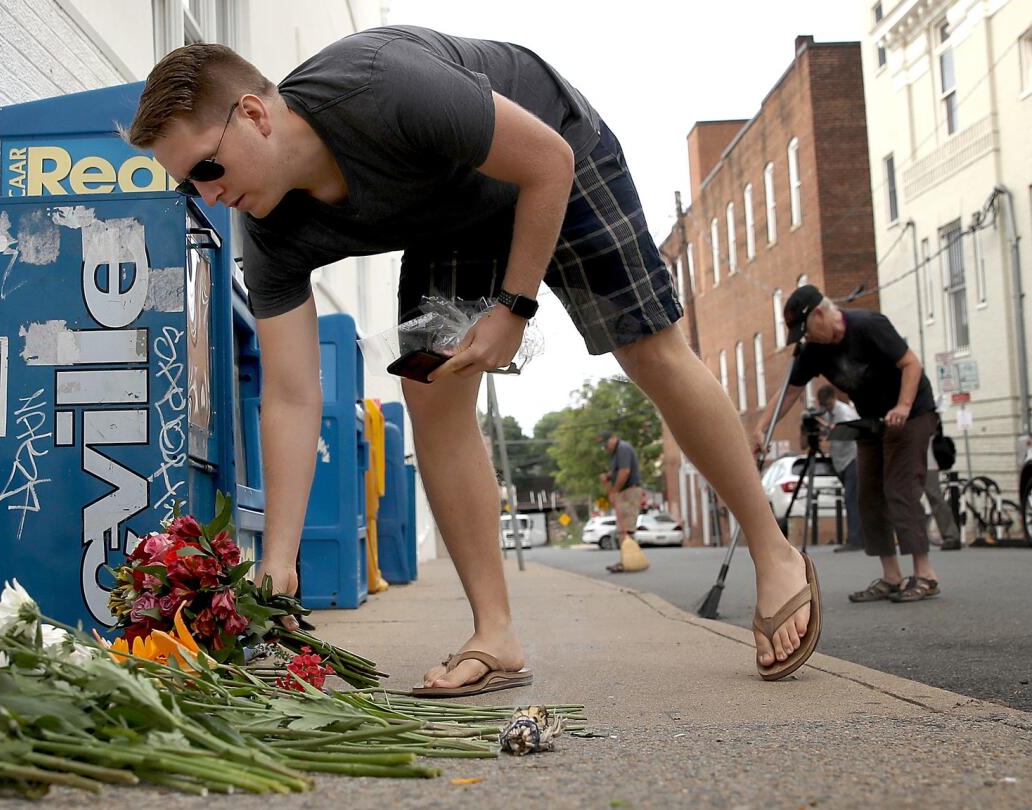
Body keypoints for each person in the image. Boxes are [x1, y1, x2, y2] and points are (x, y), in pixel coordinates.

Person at [129, 26, 820, 689]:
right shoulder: (270, 230)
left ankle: (773, 550)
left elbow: (546, 161)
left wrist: (514, 308)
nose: (210, 197)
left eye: (208, 170)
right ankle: (496, 635)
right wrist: (279, 559)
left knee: (648, 350)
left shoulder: (382, 86)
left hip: (551, 154)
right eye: (191, 186)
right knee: (429, 395)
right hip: (449, 216)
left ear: (255, 115)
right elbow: (289, 394)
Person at [752, 286, 941, 603]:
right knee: (868, 493)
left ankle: (925, 574)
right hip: (870, 421)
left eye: (806, 330)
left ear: (821, 315)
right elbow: (789, 392)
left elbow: (911, 364)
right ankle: (892, 576)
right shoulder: (814, 350)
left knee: (900, 487)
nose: (805, 338)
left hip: (911, 414)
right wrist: (761, 429)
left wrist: (903, 407)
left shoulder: (868, 325)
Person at [816, 386, 864, 552]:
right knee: (853, 500)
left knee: (851, 499)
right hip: (841, 461)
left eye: (828, 404)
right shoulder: (829, 414)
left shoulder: (844, 412)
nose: (827, 407)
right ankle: (860, 537)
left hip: (852, 459)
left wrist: (828, 427)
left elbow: (850, 431)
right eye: (824, 405)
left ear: (833, 399)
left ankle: (855, 539)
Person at [599, 431, 645, 572]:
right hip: (624, 492)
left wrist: (615, 491)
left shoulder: (622, 448)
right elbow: (617, 472)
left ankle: (629, 561)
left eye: (606, 445)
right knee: (623, 528)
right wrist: (608, 476)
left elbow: (624, 472)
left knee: (625, 528)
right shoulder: (616, 454)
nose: (605, 449)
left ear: (613, 439)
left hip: (629, 492)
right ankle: (627, 560)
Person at [925, 414, 960, 550]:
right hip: (913, 461)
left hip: (928, 461)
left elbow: (933, 430)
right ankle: (914, 537)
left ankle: (951, 535)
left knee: (935, 497)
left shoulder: (928, 410)